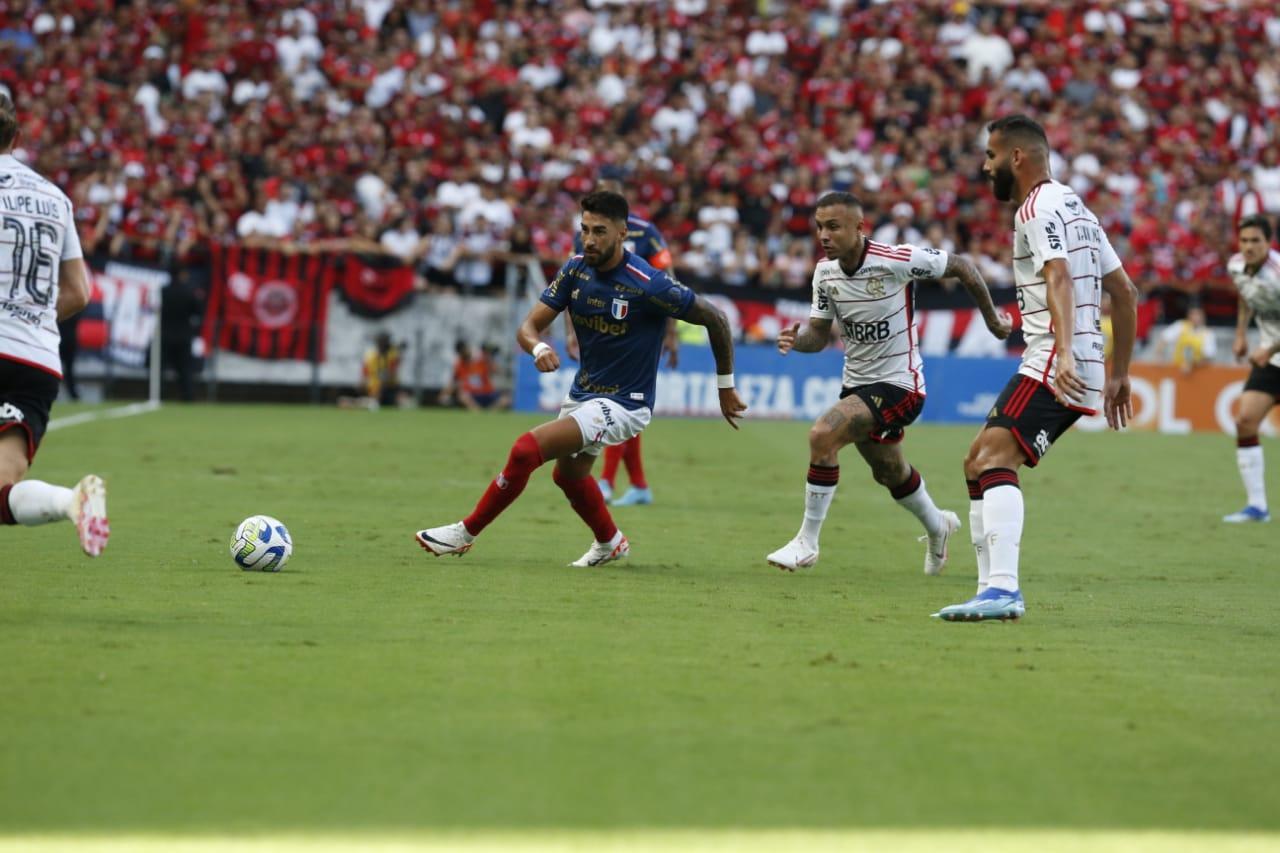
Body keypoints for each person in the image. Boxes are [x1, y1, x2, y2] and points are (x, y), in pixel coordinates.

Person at [416, 190, 745, 566]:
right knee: (569, 476)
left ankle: (464, 533)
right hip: (585, 394)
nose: (589, 239)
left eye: (600, 231)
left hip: (626, 404)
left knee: (526, 450)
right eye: (585, 229)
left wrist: (725, 387)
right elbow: (528, 326)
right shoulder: (575, 270)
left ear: (622, 233)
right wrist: (539, 349)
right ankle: (610, 542)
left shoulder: (648, 283)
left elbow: (716, 319)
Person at [934, 114, 1138, 621]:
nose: (986, 166)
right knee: (976, 458)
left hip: (1056, 356)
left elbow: (1060, 276)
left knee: (996, 459)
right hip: (1072, 357)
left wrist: (1065, 351)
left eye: (991, 155)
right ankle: (987, 587)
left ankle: (1003, 590)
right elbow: (1126, 293)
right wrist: (1118, 374)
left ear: (1017, 157)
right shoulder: (1078, 208)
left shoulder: (1035, 207)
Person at [766, 191, 1012, 575]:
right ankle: (938, 528)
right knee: (890, 473)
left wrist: (994, 319)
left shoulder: (896, 260)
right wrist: (795, 341)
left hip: (902, 386)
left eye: (833, 227)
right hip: (858, 387)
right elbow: (817, 334)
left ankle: (806, 542)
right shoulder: (825, 273)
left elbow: (961, 266)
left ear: (858, 228)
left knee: (822, 435)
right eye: (819, 227)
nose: (823, 235)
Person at [0, 94, 109, 556]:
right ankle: (70, 501)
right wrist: (31, 319)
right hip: (35, 360)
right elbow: (79, 292)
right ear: (16, 138)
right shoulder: (54, 196)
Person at [566, 177, 676, 508]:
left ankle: (606, 482)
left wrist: (671, 334)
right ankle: (639, 484)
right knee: (620, 404)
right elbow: (573, 282)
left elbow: (667, 282)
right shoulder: (584, 234)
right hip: (601, 329)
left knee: (622, 401)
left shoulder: (646, 232)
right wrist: (573, 332)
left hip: (638, 334)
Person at [1223, 214, 1280, 523]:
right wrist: (1241, 335)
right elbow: (1246, 298)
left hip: (1270, 352)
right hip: (1270, 360)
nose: (1248, 247)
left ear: (1268, 243)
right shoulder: (1236, 265)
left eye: (1255, 240)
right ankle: (1257, 506)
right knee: (1245, 420)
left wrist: (1269, 347)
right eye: (1244, 240)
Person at [339, 332, 412, 410]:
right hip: (374, 388)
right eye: (382, 341)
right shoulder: (371, 356)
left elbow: (391, 372)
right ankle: (360, 402)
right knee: (374, 399)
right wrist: (363, 385)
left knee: (402, 401)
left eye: (385, 341)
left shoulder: (392, 354)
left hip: (390, 387)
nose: (384, 343)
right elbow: (364, 374)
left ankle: (365, 402)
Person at [439, 340, 510, 411]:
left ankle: (490, 413)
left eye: (465, 349)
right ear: (459, 353)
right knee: (462, 396)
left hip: (487, 392)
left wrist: (490, 358)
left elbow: (497, 370)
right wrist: (443, 394)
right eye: (462, 351)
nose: (465, 352)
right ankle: (477, 411)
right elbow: (453, 382)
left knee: (505, 400)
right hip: (473, 394)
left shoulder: (481, 359)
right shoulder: (459, 365)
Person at [1154, 305, 1216, 374]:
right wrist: (1159, 357)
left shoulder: (1207, 334)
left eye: (1198, 314)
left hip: (1196, 371)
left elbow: (1208, 356)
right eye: (1193, 314)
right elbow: (1164, 339)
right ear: (1188, 316)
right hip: (1176, 367)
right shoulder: (1180, 326)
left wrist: (1191, 365)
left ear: (1203, 316)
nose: (1195, 317)